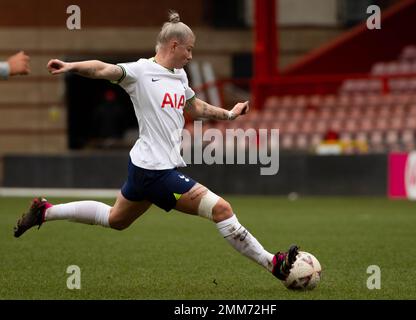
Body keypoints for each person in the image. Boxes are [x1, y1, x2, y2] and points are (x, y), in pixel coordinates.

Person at [13, 11, 299, 283]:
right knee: (222, 210)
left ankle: (46, 211)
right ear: (174, 45)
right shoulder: (139, 71)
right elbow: (102, 69)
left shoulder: (179, 75)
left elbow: (194, 106)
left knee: (116, 219)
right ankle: (273, 263)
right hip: (155, 171)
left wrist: (229, 114)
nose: (190, 55)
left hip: (145, 167)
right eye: (188, 49)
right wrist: (71, 66)